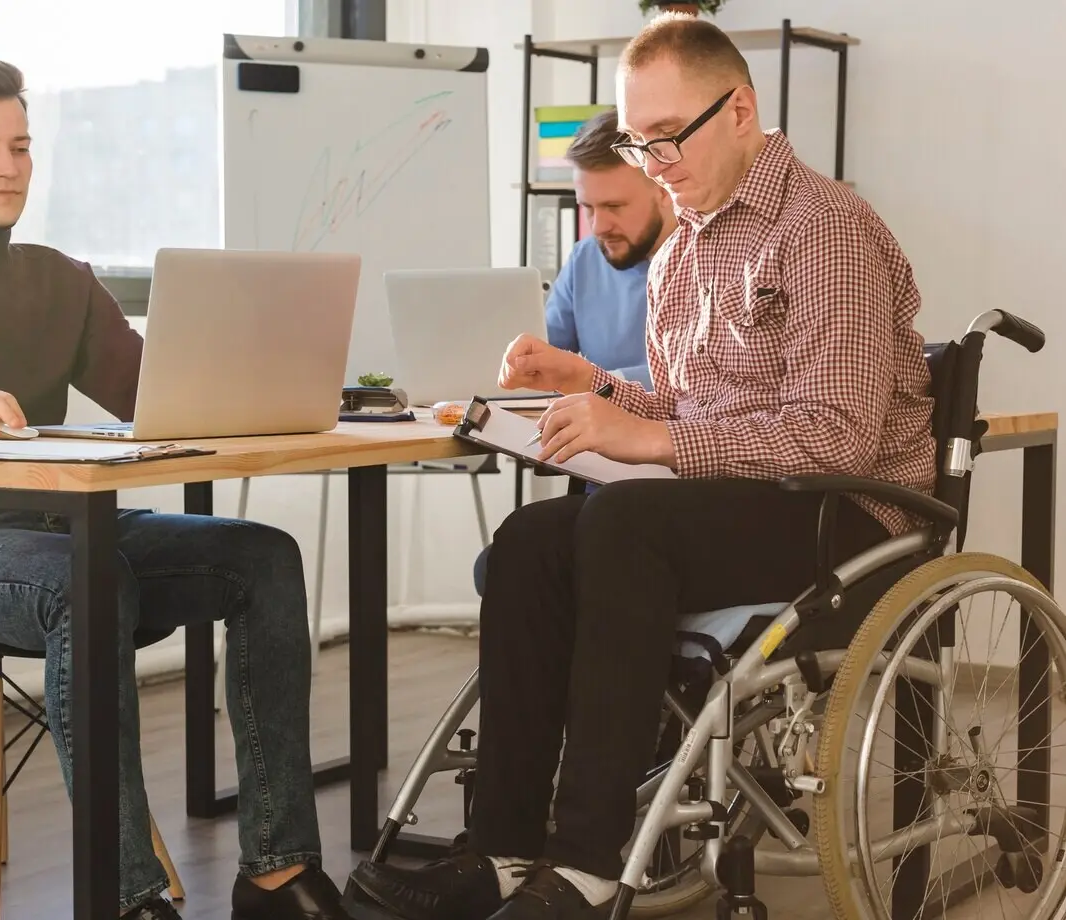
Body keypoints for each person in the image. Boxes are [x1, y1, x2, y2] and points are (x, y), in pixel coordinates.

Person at [346, 14, 936, 920]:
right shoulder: (684, 252)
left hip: (845, 514)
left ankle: (582, 865)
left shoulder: (826, 231)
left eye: (667, 138)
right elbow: (690, 409)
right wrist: (587, 387)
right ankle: (502, 850)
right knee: (530, 538)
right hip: (735, 501)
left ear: (740, 110)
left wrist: (651, 441)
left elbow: (835, 437)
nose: (652, 162)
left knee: (620, 523)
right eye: (636, 139)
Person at [0, 58, 353, 920]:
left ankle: (277, 872)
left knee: (262, 556)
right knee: (88, 582)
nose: (8, 166)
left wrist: (266, 378)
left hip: (60, 532)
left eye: (20, 146)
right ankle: (126, 895)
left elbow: (149, 393)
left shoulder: (60, 279)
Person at [470, 109, 675, 596]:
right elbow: (550, 356)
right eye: (588, 208)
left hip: (673, 483)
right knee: (503, 563)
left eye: (615, 207)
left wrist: (585, 378)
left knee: (525, 566)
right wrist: (525, 365)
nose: (598, 225)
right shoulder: (587, 258)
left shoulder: (705, 263)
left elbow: (695, 386)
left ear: (663, 190)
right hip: (600, 480)